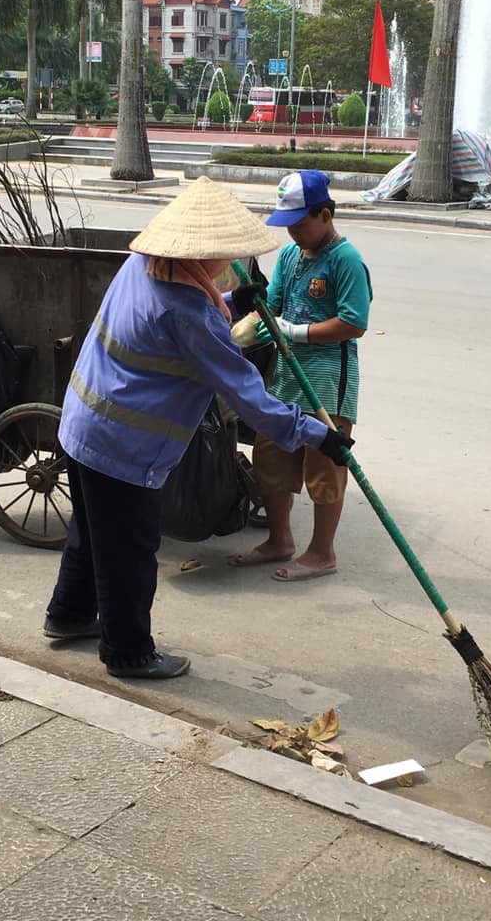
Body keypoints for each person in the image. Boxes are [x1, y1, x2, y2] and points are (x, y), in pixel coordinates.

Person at [43, 177, 352, 680]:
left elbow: (212, 297)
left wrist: (240, 300)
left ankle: (69, 613)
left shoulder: (141, 264)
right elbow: (250, 398)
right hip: (123, 444)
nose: (232, 265)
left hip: (82, 423)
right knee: (129, 550)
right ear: (202, 253)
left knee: (91, 532)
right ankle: (128, 652)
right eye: (226, 256)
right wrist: (320, 435)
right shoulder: (186, 312)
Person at [230, 170, 372, 582]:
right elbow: (272, 304)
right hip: (285, 378)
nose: (292, 232)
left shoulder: (346, 260)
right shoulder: (291, 257)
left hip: (327, 384)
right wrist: (253, 325)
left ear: (325, 215)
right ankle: (280, 539)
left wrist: (298, 332)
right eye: (287, 225)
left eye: (299, 223)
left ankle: (321, 552)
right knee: (270, 456)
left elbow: (354, 322)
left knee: (324, 468)